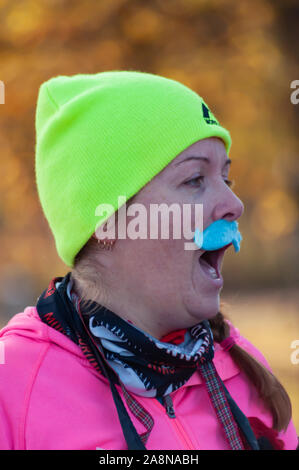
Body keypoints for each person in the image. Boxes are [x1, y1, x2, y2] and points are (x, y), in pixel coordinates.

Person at [0, 71, 298, 450]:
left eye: (227, 178)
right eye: (195, 179)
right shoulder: (13, 386)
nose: (233, 205)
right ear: (107, 221)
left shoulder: (240, 369)